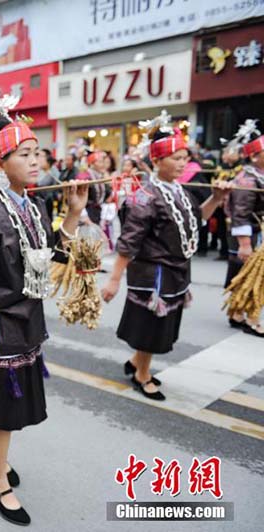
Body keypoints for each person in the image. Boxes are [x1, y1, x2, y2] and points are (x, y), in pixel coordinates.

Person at [0, 104, 89, 527]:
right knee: (1, 411)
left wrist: (75, 213)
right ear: (0, 161)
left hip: (27, 320)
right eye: (23, 153)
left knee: (7, 408)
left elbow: (53, 254)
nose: (34, 161)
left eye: (36, 152)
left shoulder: (35, 206)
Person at [101, 112, 232, 401]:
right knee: (152, 328)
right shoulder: (143, 195)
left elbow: (197, 219)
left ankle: (137, 362)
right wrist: (113, 279)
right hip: (154, 276)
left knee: (161, 328)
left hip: (176, 271)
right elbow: (128, 242)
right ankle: (142, 375)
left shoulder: (180, 191)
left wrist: (217, 199)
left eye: (185, 157)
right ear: (157, 161)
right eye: (176, 157)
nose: (183, 163)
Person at [224, 120, 264, 337]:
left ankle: (238, 314)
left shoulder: (258, 175)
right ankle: (250, 317)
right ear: (255, 156)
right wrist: (245, 244)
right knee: (250, 277)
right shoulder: (248, 179)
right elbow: (241, 212)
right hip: (249, 237)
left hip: (257, 234)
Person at [79, 150, 111, 224]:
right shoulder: (85, 176)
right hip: (87, 211)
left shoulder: (100, 176)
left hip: (97, 211)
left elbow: (107, 195)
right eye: (99, 162)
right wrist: (84, 216)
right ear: (91, 164)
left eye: (103, 162)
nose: (102, 164)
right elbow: (80, 198)